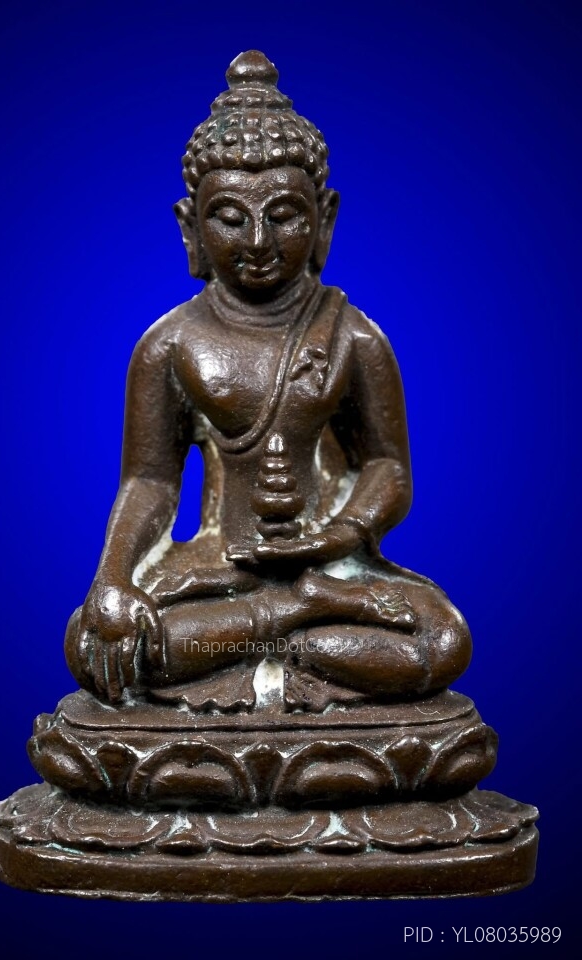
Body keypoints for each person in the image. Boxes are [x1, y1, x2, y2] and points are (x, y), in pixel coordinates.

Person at [65, 51, 471, 710]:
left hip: (327, 565)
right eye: (230, 217)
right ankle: (294, 621)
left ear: (325, 218)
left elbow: (389, 468)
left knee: (443, 639)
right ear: (190, 226)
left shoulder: (352, 335)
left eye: (283, 214)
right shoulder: (170, 344)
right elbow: (150, 482)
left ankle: (278, 631)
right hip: (217, 569)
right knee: (94, 643)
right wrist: (112, 580)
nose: (257, 240)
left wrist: (339, 537)